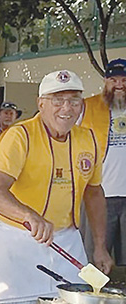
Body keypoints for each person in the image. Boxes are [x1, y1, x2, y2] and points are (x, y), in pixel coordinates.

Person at [0, 70, 114, 304]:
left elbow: (94, 192)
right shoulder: (19, 135)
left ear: (81, 105)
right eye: (57, 100)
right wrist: (29, 216)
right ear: (40, 103)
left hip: (66, 238)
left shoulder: (88, 138)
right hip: (16, 239)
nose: (66, 108)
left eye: (73, 100)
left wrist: (100, 245)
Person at [79, 58, 126, 266]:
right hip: (98, 195)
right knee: (94, 261)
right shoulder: (87, 107)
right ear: (105, 81)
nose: (119, 85)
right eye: (113, 79)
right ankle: (93, 298)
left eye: (124, 80)